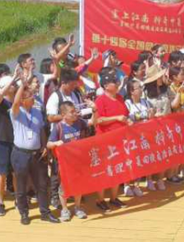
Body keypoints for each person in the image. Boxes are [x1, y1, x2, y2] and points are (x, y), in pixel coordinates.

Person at [10, 68, 60, 225]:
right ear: (23, 100)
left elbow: (41, 129)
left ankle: (45, 212)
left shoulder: (37, 111)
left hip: (37, 154)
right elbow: (16, 102)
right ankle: (24, 213)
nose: (33, 97)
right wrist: (21, 85)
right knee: (22, 185)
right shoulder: (16, 112)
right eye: (30, 96)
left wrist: (44, 145)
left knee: (42, 184)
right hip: (21, 154)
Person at [93, 68, 130, 211]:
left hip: (120, 139)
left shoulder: (120, 98)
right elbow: (98, 120)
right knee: (104, 170)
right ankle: (100, 200)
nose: (116, 83)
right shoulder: (100, 100)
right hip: (105, 141)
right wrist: (116, 118)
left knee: (118, 168)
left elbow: (125, 114)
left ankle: (114, 197)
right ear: (105, 86)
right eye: (113, 82)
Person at [47, 101, 89, 221]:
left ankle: (77, 207)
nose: (75, 113)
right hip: (64, 163)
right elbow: (48, 144)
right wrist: (56, 143)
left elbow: (93, 122)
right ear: (64, 114)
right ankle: (65, 209)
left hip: (78, 161)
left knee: (78, 185)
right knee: (64, 186)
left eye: (75, 111)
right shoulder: (58, 127)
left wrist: (94, 110)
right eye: (72, 112)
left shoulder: (80, 123)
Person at [0, 70, 19, 216]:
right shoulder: (0, 102)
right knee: (2, 173)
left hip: (17, 140)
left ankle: (17, 198)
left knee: (16, 172)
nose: (14, 86)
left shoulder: (17, 99)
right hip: (3, 140)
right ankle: (0, 202)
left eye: (14, 84)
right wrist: (13, 78)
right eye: (12, 84)